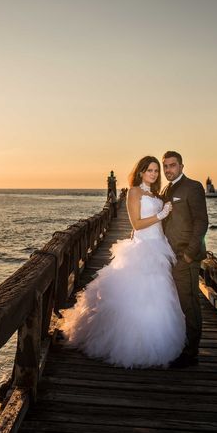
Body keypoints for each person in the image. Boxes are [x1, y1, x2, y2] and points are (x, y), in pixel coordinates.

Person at [61, 156, 186, 368]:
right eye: (149, 170)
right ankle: (131, 345)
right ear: (140, 172)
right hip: (142, 248)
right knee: (138, 296)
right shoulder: (134, 192)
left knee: (159, 296)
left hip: (158, 247)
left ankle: (154, 341)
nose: (154, 174)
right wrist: (161, 215)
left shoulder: (154, 193)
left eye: (156, 170)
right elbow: (136, 224)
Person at [160, 151, 209, 367]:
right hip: (169, 256)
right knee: (176, 304)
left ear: (181, 166)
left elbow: (201, 222)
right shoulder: (166, 189)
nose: (168, 169)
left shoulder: (194, 187)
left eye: (172, 165)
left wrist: (189, 254)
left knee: (189, 303)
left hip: (185, 257)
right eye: (165, 166)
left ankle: (191, 353)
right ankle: (180, 345)